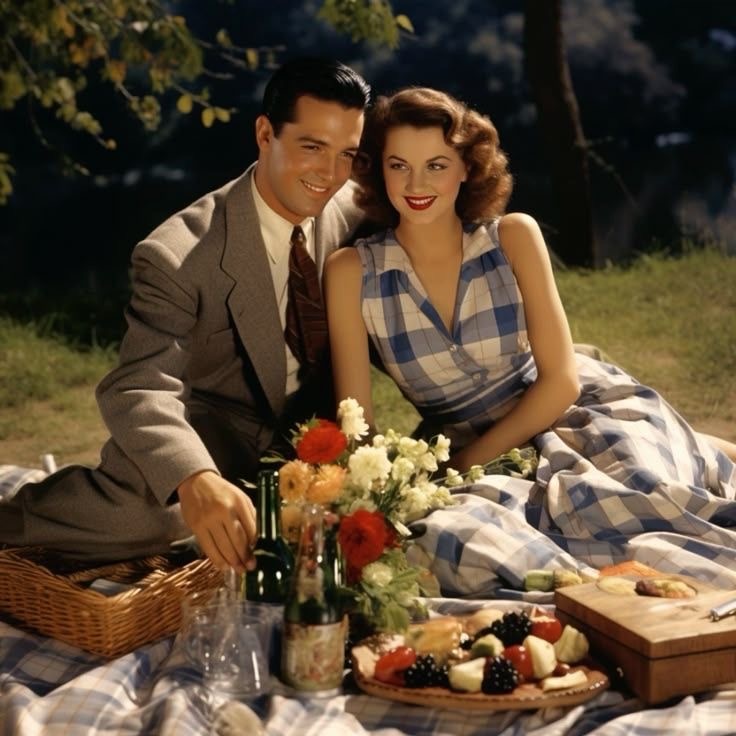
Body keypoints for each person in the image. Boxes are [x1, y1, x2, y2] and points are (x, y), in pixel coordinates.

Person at [0, 58, 371, 572]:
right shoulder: (176, 254)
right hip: (213, 435)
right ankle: (13, 513)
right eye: (312, 147)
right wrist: (195, 480)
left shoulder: (354, 207)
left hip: (311, 442)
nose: (329, 174)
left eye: (346, 154)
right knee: (141, 519)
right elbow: (140, 385)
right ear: (265, 134)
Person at [324, 87, 736, 480]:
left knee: (643, 480)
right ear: (379, 169)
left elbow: (561, 383)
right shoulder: (351, 272)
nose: (416, 185)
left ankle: (691, 449)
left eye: (437, 165)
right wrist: (383, 484)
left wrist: (463, 465)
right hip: (461, 449)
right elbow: (356, 424)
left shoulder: (513, 237)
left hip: (567, 416)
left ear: (466, 167)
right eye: (399, 166)